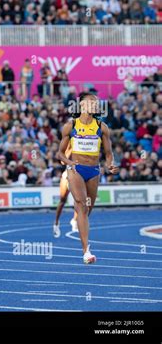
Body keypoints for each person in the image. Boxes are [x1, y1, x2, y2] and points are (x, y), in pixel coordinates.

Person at [57, 92, 119, 264]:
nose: (96, 105)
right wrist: (70, 163)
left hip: (93, 170)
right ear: (82, 105)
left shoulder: (102, 127)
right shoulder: (70, 126)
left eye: (97, 103)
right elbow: (60, 153)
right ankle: (86, 252)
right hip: (76, 169)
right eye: (92, 102)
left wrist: (109, 164)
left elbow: (108, 153)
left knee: (87, 209)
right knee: (83, 205)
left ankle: (77, 217)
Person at [53, 143, 78, 238]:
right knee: (62, 200)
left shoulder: (85, 147)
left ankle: (74, 220)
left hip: (79, 175)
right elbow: (63, 162)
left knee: (80, 200)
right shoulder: (70, 146)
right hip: (68, 175)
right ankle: (56, 223)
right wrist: (72, 148)